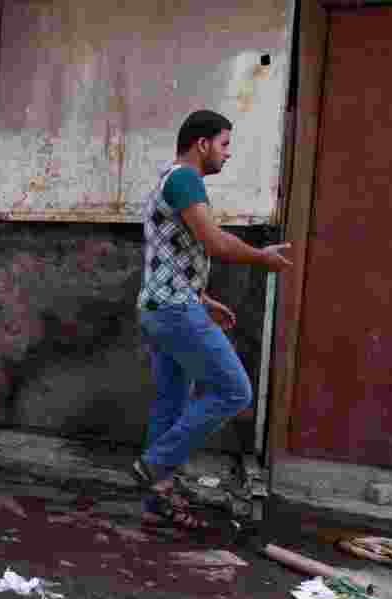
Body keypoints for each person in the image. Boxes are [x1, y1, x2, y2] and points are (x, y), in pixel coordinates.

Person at [133, 110, 292, 529]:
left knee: (171, 401)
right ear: (201, 144)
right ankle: (156, 465)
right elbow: (213, 241)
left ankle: (158, 500)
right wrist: (261, 257)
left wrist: (203, 298)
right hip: (172, 310)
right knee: (235, 390)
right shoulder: (186, 179)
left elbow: (171, 251)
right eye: (224, 144)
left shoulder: (173, 180)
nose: (228, 154)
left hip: (162, 306)